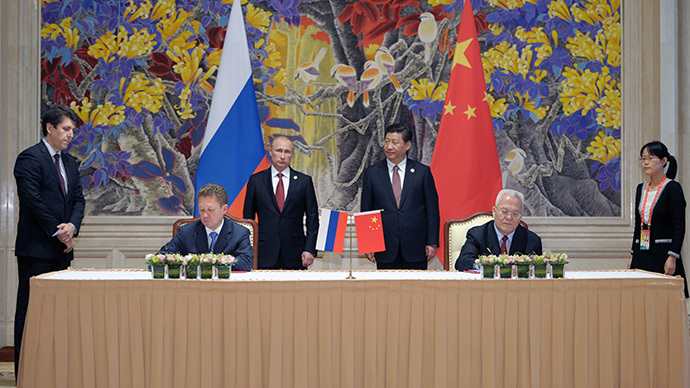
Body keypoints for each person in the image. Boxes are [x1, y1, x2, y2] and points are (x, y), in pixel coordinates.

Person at [13, 105, 85, 376]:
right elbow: (32, 200)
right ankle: (26, 372)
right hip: (36, 250)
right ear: (50, 128)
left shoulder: (70, 162)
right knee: (31, 312)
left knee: (58, 313)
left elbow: (78, 199)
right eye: (67, 129)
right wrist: (59, 230)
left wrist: (72, 227)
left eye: (73, 131)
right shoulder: (30, 158)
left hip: (61, 251)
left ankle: (53, 370)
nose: (70, 135)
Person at [360, 123, 440, 269]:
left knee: (416, 290)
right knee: (388, 290)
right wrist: (367, 244)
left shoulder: (422, 173)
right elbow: (366, 210)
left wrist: (432, 242)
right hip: (384, 246)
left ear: (407, 145)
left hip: (416, 246)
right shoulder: (372, 174)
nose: (389, 146)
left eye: (395, 142)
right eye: (387, 141)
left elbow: (432, 210)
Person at [243, 136, 319, 269]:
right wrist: (248, 249)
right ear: (270, 151)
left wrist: (309, 249)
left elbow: (312, 220)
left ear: (292, 154)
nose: (282, 156)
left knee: (295, 290)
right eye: (279, 151)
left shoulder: (304, 182)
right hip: (263, 251)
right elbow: (247, 220)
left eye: (287, 152)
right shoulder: (256, 181)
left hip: (296, 253)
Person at [628, 141, 688, 297]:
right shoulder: (641, 188)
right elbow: (638, 226)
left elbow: (679, 227)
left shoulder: (673, 188)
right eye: (643, 158)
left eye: (650, 158)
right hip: (642, 253)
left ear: (664, 161)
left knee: (664, 302)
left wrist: (672, 256)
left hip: (664, 254)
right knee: (640, 300)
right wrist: (633, 255)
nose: (645, 162)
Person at [158, 183, 254, 271]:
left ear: (224, 209)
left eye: (210, 210)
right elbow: (161, 257)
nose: (205, 215)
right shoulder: (186, 232)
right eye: (202, 210)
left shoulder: (240, 233)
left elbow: (246, 262)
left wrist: (212, 264)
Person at [455, 189, 542, 270]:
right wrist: (487, 265)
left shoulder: (532, 240)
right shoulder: (477, 235)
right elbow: (463, 262)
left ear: (521, 216)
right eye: (504, 212)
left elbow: (537, 270)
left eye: (515, 214)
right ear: (494, 212)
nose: (509, 217)